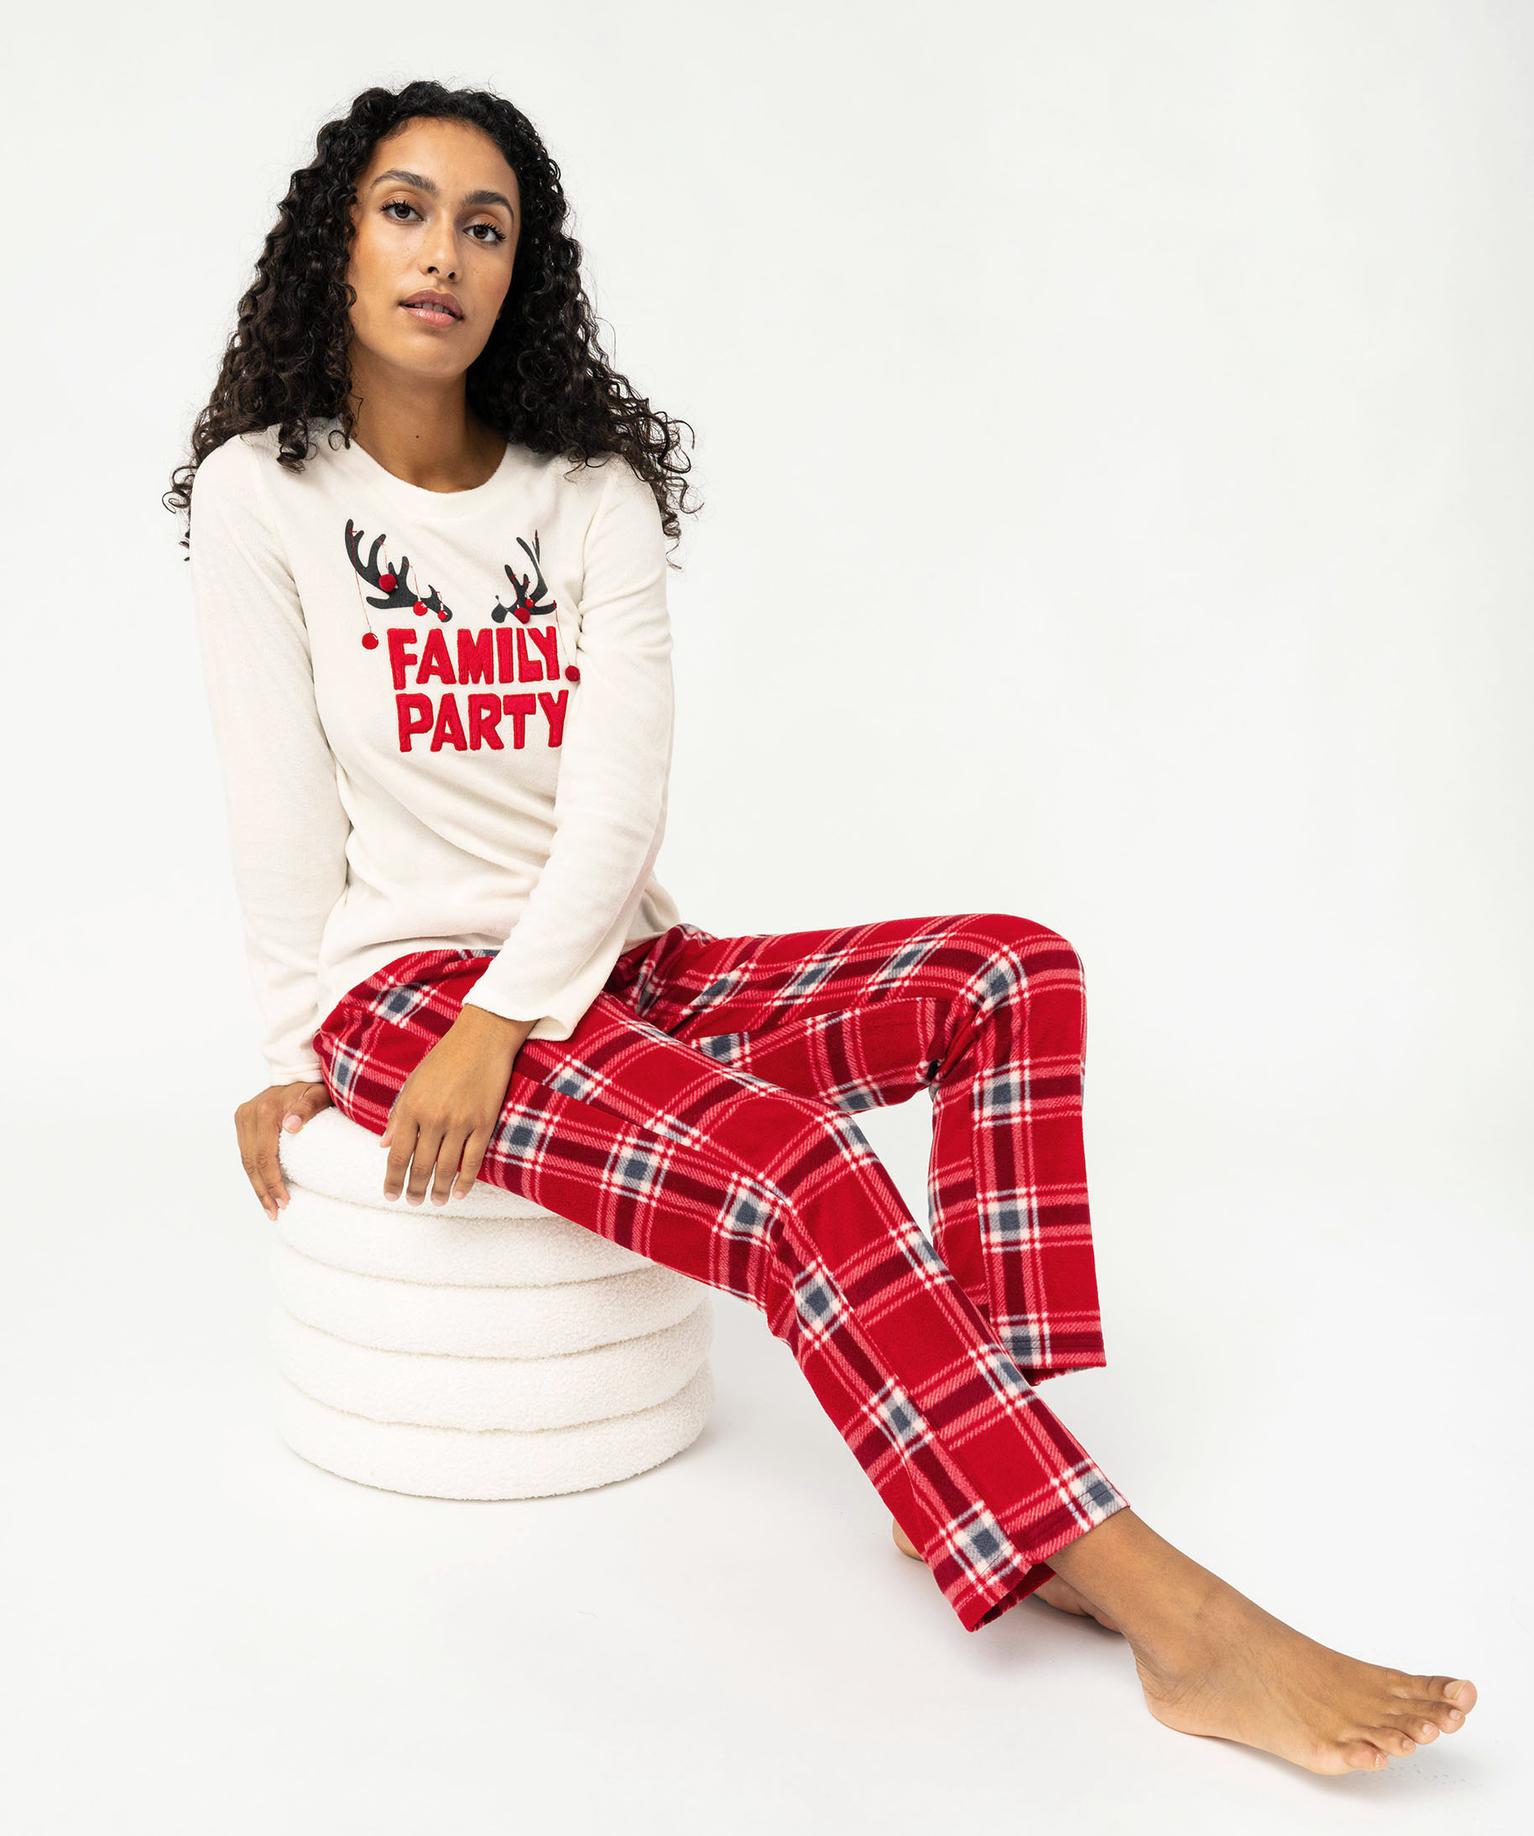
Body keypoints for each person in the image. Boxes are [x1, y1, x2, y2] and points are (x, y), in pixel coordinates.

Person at [168, 80, 1477, 1776]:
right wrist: (296, 1050)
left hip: (603, 966)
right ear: (335, 242)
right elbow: (276, 810)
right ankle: (1183, 1624)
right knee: (801, 1170)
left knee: (1007, 973)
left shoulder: (590, 493)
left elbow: (616, 813)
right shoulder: (263, 494)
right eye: (403, 210)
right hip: (410, 994)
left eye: (484, 227)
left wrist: (523, 1010)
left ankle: (995, 1480)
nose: (442, 255)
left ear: (520, 271)